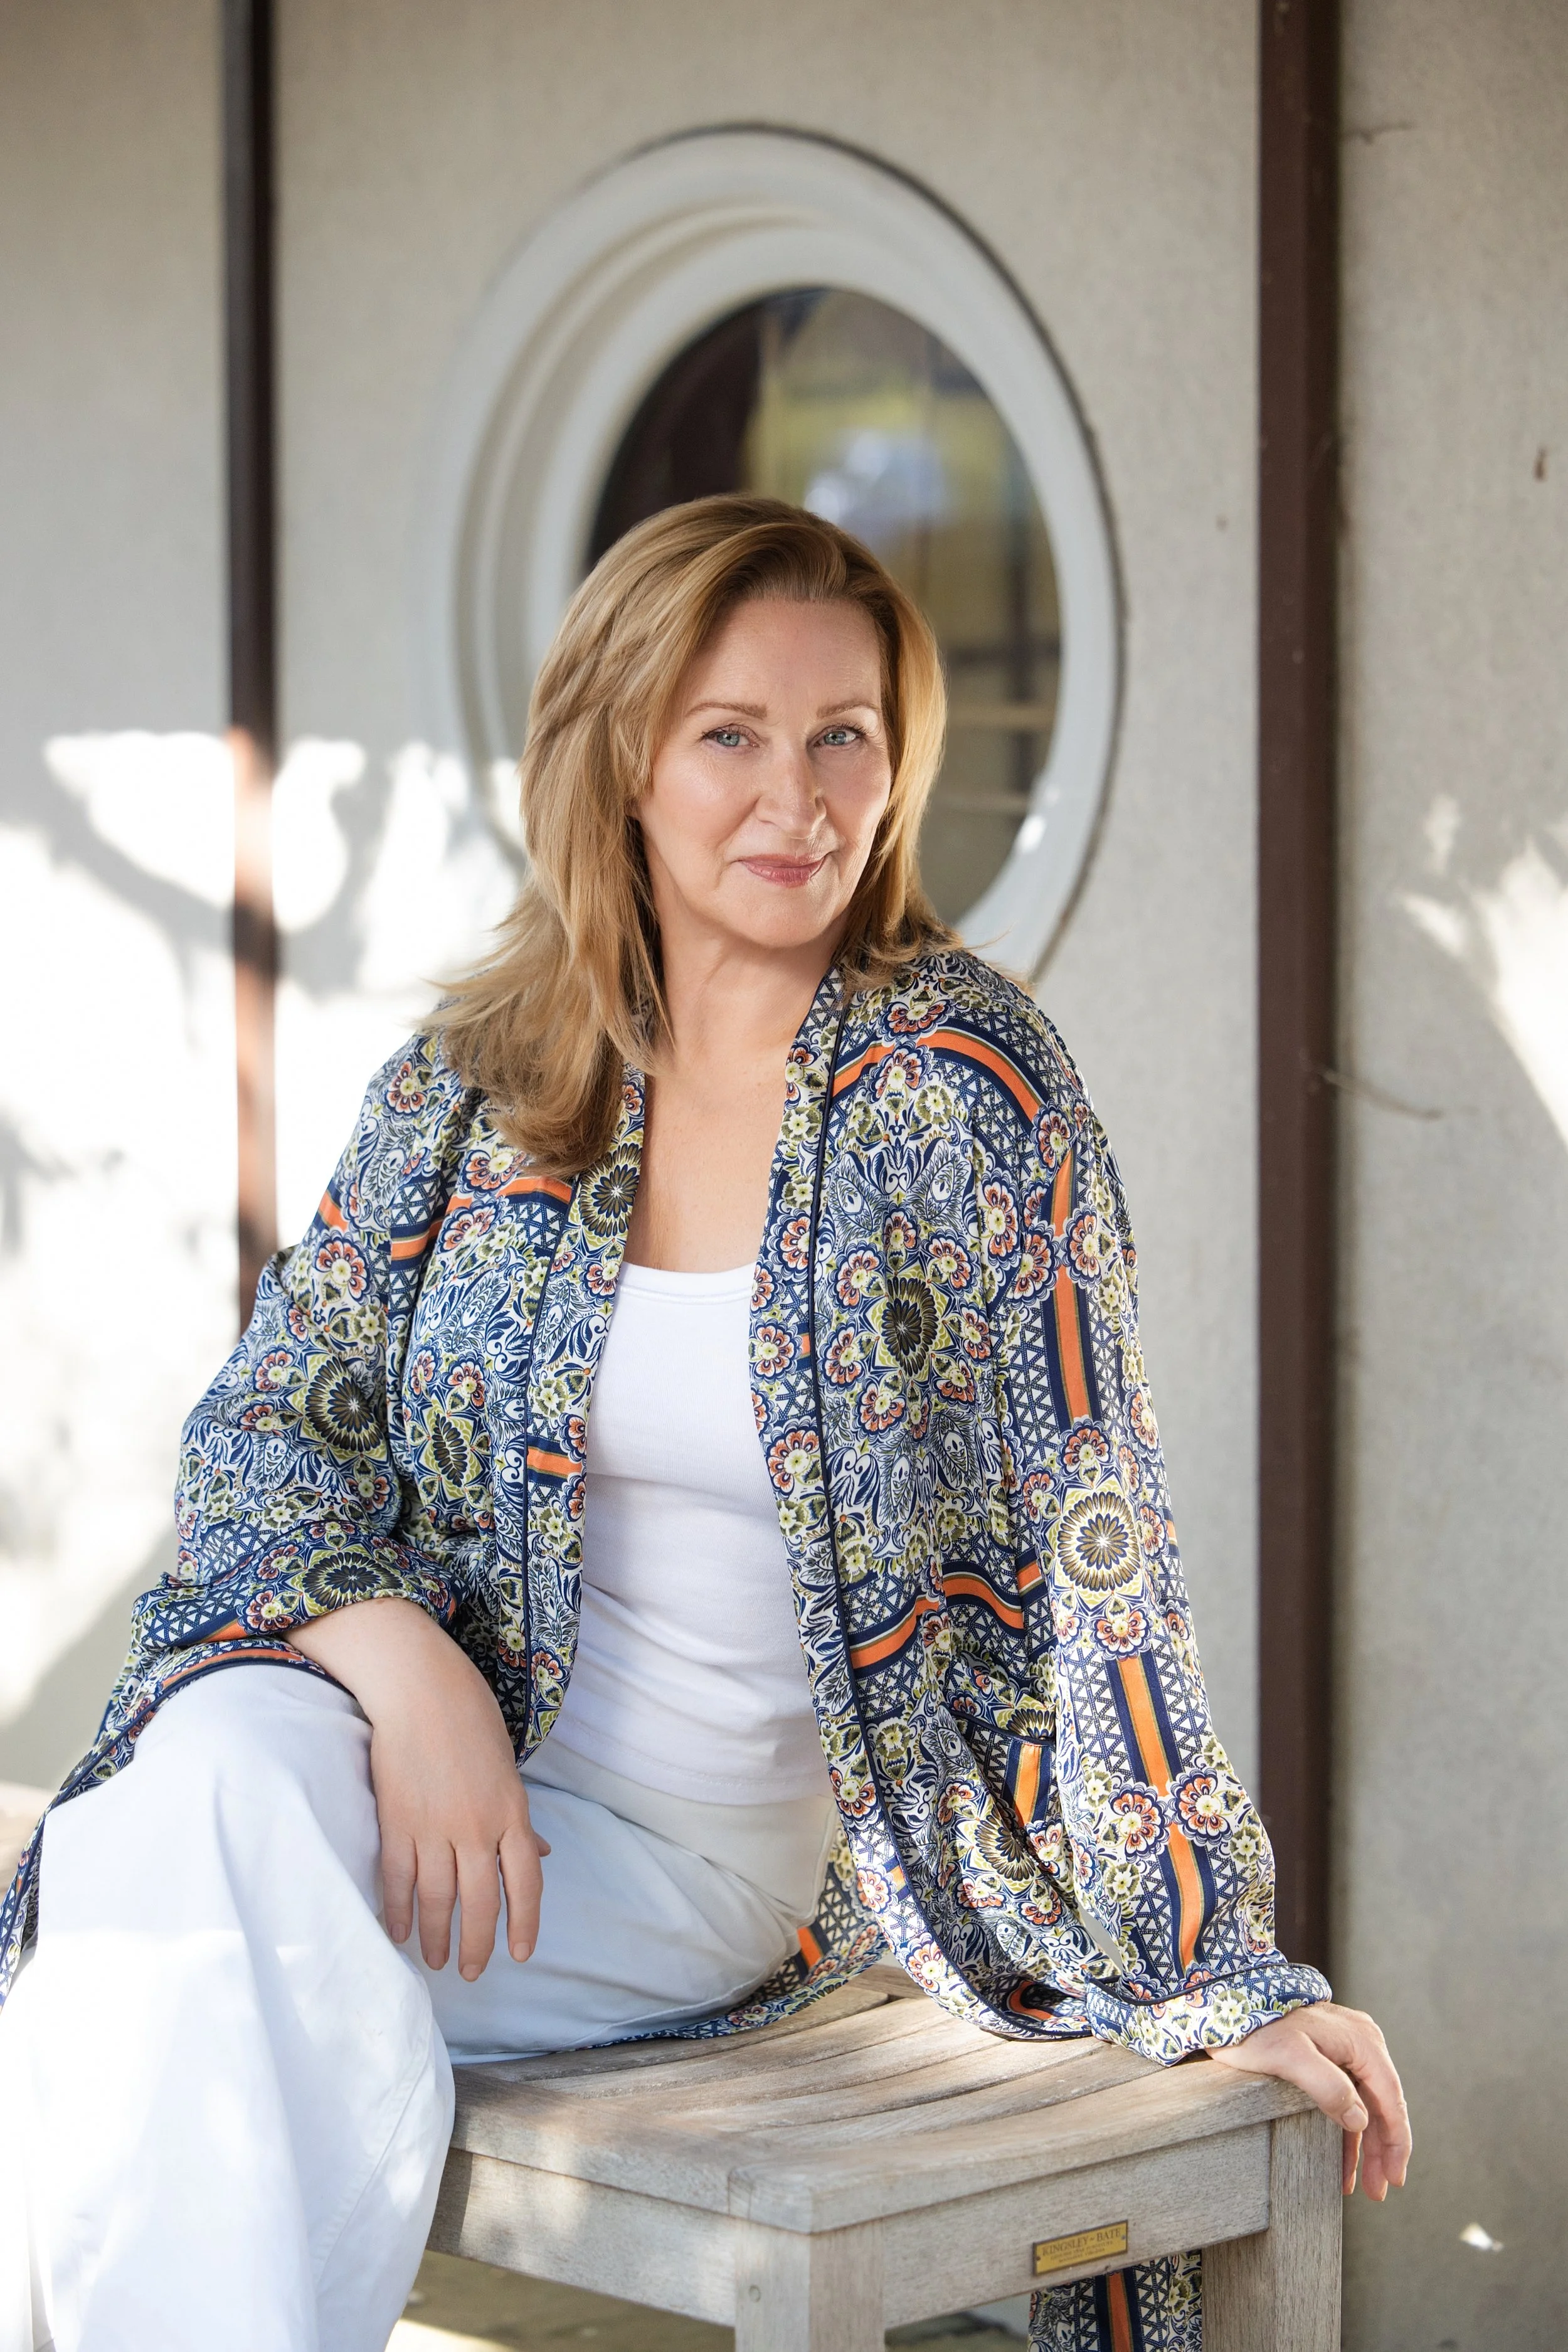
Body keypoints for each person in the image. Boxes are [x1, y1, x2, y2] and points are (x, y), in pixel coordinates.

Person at [0, 495, 1408, 2352]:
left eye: (845, 734)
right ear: (622, 760)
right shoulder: (476, 1084)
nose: (797, 797)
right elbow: (262, 1444)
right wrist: (401, 1654)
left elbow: (1101, 1546)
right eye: (730, 734)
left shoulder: (964, 1091)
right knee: (182, 1805)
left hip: (678, 1855)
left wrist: (1212, 1957)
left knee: (132, 1930)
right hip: (401, 1770)